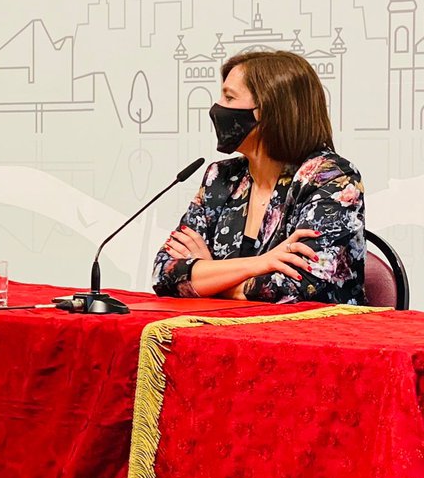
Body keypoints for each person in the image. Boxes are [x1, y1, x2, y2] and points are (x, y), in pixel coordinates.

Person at [153, 50, 365, 305]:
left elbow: (297, 288)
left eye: (229, 97)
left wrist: (209, 278)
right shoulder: (221, 177)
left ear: (267, 111)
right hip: (229, 337)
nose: (217, 107)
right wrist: (261, 264)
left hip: (313, 337)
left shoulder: (330, 178)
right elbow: (164, 273)